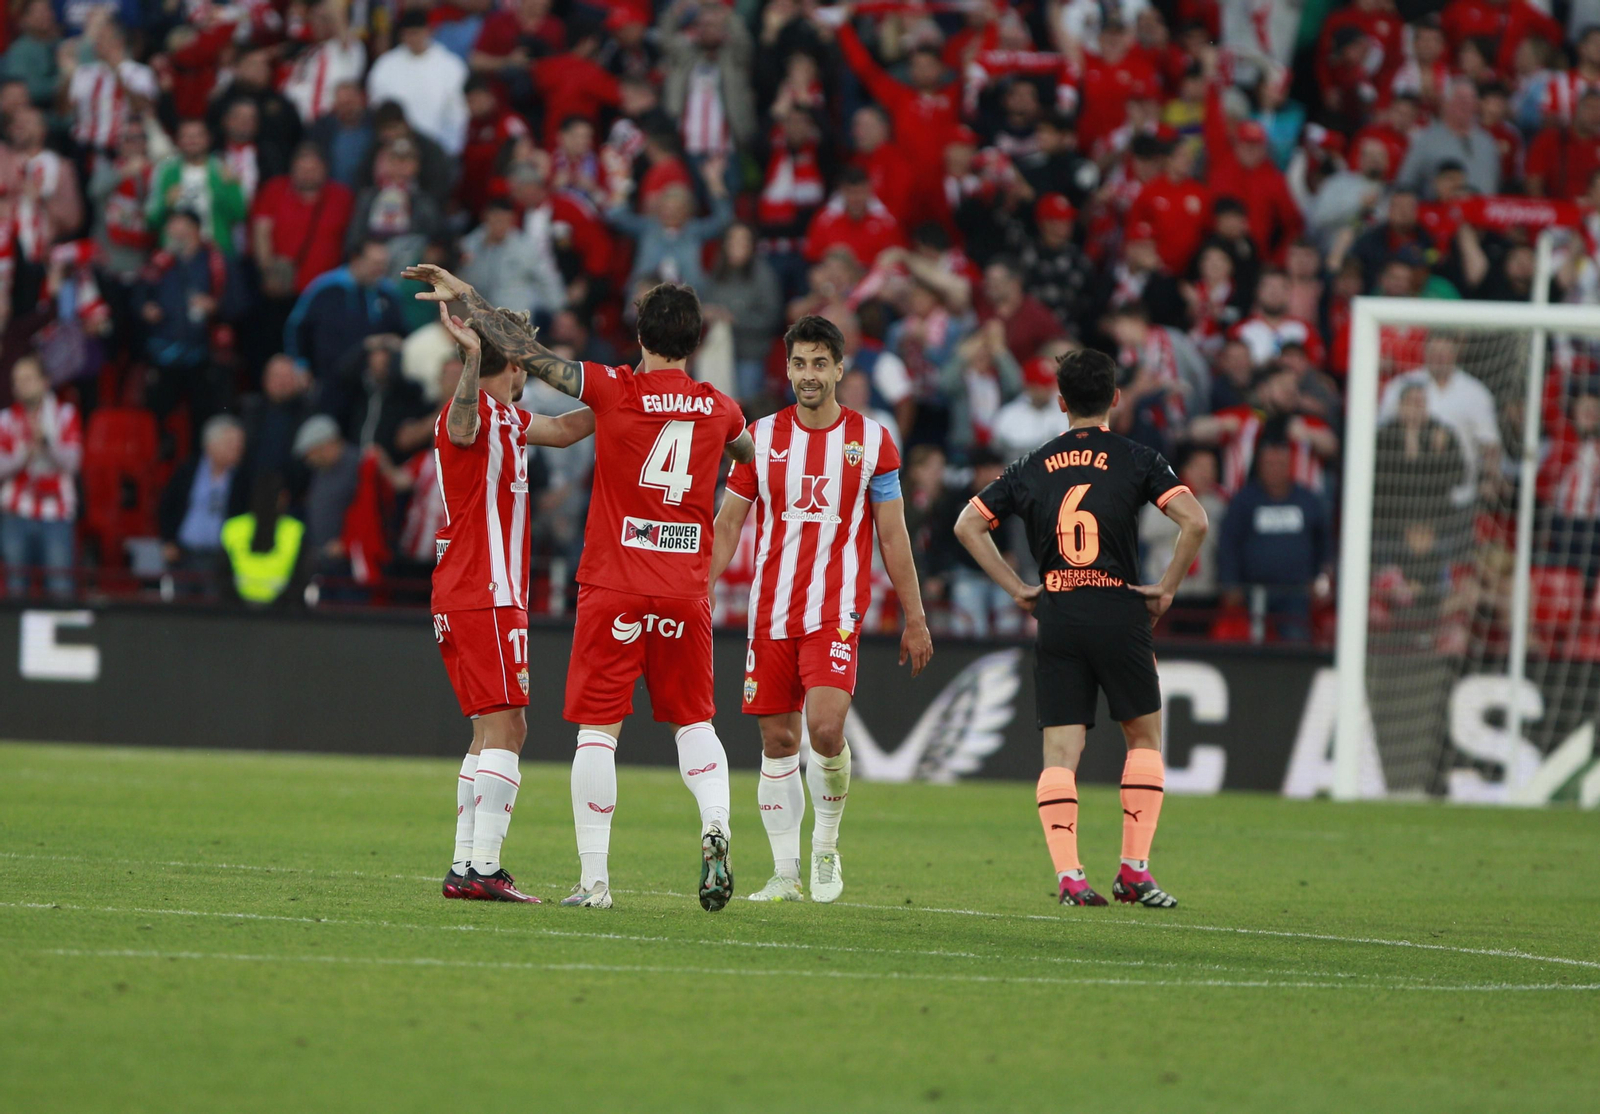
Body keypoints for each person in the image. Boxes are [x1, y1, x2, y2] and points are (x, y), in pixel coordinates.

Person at [404, 264, 756, 913]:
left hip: (601, 584)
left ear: (641, 336)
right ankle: (712, 825)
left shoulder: (596, 394)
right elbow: (747, 453)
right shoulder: (718, 406)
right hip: (641, 588)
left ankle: (566, 877)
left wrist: (621, 406)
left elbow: (559, 408)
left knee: (556, 731)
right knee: (686, 722)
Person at [954, 347, 1208, 907]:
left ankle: (1071, 878)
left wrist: (1017, 588)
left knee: (1060, 755)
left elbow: (968, 525)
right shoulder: (1138, 457)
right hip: (1119, 610)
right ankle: (1134, 871)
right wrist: (1166, 588)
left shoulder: (1031, 464)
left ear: (1061, 402)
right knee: (1144, 739)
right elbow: (1194, 520)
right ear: (1115, 398)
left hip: (1059, 614)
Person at [708, 315, 933, 904]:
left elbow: (893, 536)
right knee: (778, 742)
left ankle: (826, 846)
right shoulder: (757, 438)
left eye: (819, 364)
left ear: (839, 369)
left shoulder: (873, 441)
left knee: (826, 729)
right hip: (770, 611)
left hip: (835, 610)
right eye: (799, 363)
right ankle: (785, 874)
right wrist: (698, 589)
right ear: (788, 369)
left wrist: (915, 617)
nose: (809, 374)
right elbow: (728, 524)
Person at [422, 301, 596, 903]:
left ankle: (465, 866)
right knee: (509, 727)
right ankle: (485, 868)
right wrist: (472, 362)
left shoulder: (511, 419)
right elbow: (461, 426)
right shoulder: (468, 413)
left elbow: (567, 430)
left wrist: (627, 399)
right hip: (483, 591)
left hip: (476, 593)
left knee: (487, 731)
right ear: (516, 365)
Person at [0, 355, 82, 598]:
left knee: (60, 588)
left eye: (28, 378)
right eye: (17, 380)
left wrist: (46, 443)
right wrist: (25, 452)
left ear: (45, 381)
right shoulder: (5, 420)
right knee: (15, 589)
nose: (21, 385)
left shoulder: (65, 415)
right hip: (16, 512)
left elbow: (72, 463)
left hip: (56, 513)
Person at [158, 414, 248, 592]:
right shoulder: (188, 470)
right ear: (211, 445)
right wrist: (167, 540)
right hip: (184, 554)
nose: (238, 447)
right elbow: (166, 506)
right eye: (230, 442)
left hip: (220, 559)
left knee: (213, 605)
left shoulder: (243, 479)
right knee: (180, 604)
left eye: (240, 443)